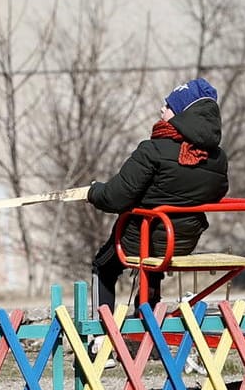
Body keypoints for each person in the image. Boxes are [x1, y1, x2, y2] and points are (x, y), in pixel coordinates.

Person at [86, 78, 230, 308]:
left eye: (169, 105)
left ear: (184, 114)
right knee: (156, 255)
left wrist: (94, 191)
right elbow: (216, 193)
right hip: (183, 242)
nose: (162, 109)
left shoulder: (152, 149)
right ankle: (149, 316)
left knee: (103, 265)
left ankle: (100, 333)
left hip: (140, 240)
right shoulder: (217, 157)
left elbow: (115, 197)